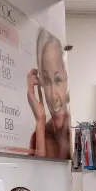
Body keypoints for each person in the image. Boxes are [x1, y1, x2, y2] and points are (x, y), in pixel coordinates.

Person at [27, 28, 71, 159]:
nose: (52, 96)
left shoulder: (76, 132)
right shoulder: (38, 134)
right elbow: (37, 170)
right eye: (46, 81)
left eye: (58, 80)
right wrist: (40, 120)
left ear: (67, 79)